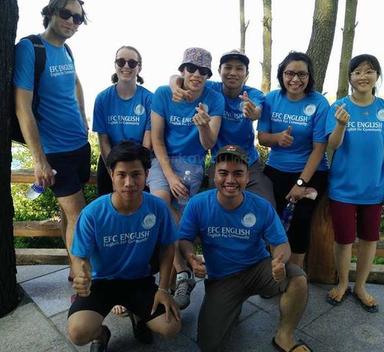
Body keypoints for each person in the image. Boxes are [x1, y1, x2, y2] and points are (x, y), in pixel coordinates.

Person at [179, 145, 311, 352]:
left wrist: (279, 260)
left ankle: (284, 336)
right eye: (223, 173)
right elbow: (184, 238)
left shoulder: (261, 206)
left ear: (248, 177)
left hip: (258, 268)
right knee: (209, 345)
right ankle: (233, 303)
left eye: (238, 173)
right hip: (222, 278)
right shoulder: (198, 204)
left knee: (298, 279)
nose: (230, 180)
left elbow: (281, 243)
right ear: (214, 175)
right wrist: (190, 257)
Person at [67, 141, 181, 351]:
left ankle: (139, 317)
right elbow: (79, 255)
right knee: (78, 332)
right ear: (111, 175)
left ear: (146, 175)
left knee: (171, 327)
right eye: (121, 175)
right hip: (102, 282)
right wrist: (82, 274)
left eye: (136, 174)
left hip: (139, 280)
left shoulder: (157, 208)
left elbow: (168, 247)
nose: (129, 183)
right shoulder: (93, 213)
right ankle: (101, 334)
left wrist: (164, 289)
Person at [14, 0, 90, 278]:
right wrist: (39, 159)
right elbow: (22, 107)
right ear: (51, 12)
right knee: (79, 215)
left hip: (78, 145)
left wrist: (82, 116)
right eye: (66, 14)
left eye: (78, 18)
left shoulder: (66, 50)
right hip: (55, 151)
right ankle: (83, 279)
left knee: (68, 213)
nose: (72, 21)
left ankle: (73, 267)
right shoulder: (30, 48)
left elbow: (76, 83)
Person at [148, 47, 224, 309]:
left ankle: (175, 282)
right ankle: (183, 271)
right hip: (162, 160)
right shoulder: (163, 93)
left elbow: (209, 143)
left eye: (203, 71)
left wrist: (202, 125)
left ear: (208, 75)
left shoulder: (214, 98)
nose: (196, 74)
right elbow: (156, 139)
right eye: (191, 68)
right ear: (182, 70)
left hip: (193, 162)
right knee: (160, 204)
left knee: (180, 221)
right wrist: (169, 176)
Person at [325, 54, 384, 312]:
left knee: (369, 238)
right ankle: (343, 283)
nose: (363, 76)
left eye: (369, 71)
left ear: (377, 76)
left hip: (374, 188)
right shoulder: (339, 107)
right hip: (343, 188)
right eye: (357, 72)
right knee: (344, 239)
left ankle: (360, 286)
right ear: (350, 77)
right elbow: (332, 145)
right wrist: (341, 124)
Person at [170, 49, 275, 206]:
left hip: (249, 162)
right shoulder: (211, 89)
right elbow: (177, 78)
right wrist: (175, 87)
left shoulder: (253, 94)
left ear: (246, 74)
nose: (233, 73)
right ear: (219, 71)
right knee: (221, 206)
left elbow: (257, 110)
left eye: (239, 68)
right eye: (228, 67)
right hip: (219, 161)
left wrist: (253, 112)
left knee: (265, 203)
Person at [257, 51, 329, 268]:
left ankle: (296, 276)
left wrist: (300, 183)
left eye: (301, 74)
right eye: (289, 73)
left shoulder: (319, 102)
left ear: (309, 76)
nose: (295, 79)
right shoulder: (272, 99)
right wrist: (277, 138)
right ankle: (273, 272)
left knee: (300, 221)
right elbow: (262, 138)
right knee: (270, 221)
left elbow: (319, 148)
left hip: (310, 172)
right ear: (282, 75)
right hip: (276, 169)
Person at [93, 45, 152, 196]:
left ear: (139, 68)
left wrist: (141, 172)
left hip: (138, 160)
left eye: (132, 63)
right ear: (115, 65)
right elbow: (103, 141)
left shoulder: (149, 99)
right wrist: (112, 174)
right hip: (110, 161)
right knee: (108, 205)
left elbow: (147, 143)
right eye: (121, 62)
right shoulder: (102, 99)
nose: (126, 66)